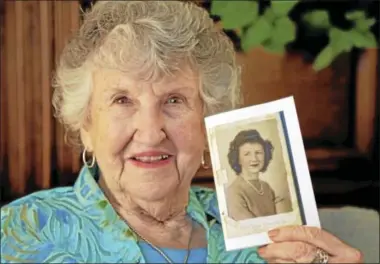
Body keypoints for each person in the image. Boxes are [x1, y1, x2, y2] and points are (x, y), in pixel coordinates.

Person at [0, 1, 363, 263]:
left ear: (209, 121)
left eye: (174, 100)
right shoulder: (24, 231)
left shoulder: (263, 230)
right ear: (87, 126)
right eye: (122, 100)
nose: (151, 131)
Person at [226, 129, 285, 220]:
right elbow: (252, 228)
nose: (254, 158)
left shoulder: (266, 187)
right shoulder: (233, 192)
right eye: (247, 154)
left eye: (258, 152)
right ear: (237, 159)